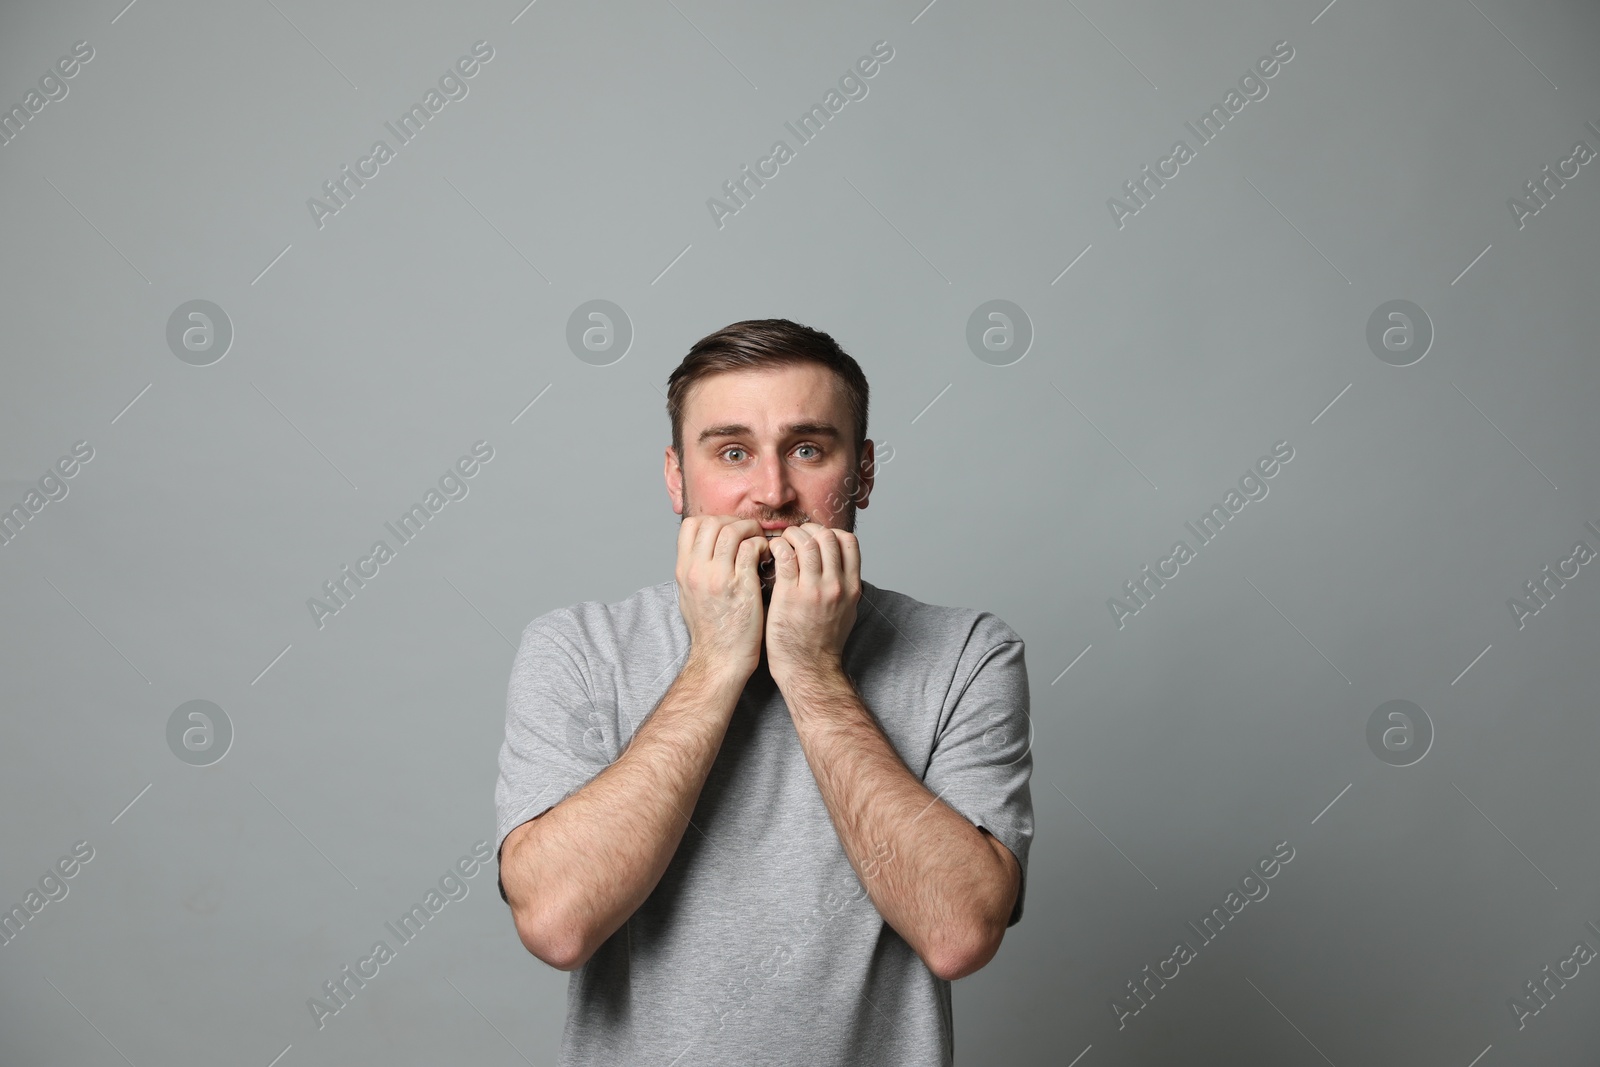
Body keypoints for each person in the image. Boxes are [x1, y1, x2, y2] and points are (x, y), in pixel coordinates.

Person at [494, 318, 1033, 1065]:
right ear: (677, 476)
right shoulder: (577, 649)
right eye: (733, 452)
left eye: (808, 449)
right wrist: (716, 661)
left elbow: (958, 932)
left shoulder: (967, 653)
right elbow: (557, 923)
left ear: (864, 472)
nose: (772, 492)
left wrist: (813, 673)